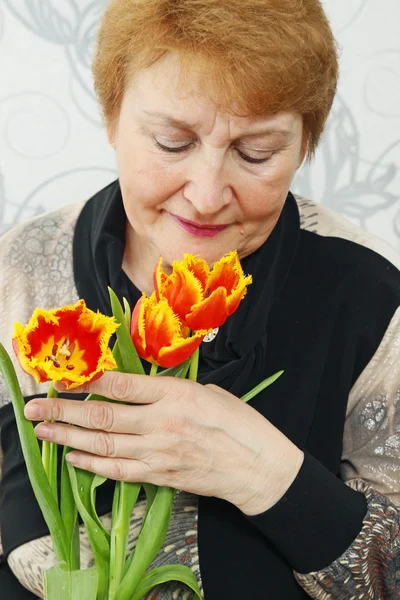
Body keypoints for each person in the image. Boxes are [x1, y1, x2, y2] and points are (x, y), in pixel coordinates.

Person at [0, 0, 399, 598]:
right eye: (171, 142)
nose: (208, 195)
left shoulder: (367, 292)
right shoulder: (19, 272)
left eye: (256, 153)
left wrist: (263, 473)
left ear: (306, 143)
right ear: (111, 119)